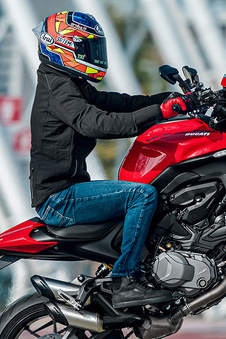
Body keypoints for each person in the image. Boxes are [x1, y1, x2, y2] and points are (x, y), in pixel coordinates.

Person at [29, 11, 194, 308]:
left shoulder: (70, 83)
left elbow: (120, 103)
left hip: (70, 191)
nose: (94, 55)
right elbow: (97, 123)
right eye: (87, 48)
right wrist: (160, 113)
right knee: (141, 196)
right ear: (65, 47)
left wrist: (166, 101)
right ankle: (124, 281)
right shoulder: (59, 89)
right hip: (59, 200)